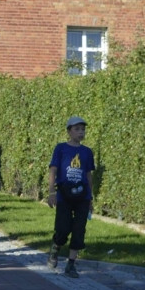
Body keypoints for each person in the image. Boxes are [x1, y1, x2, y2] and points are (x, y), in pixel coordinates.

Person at [46, 116, 95, 279]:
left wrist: (90, 198)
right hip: (64, 194)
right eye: (77, 129)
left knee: (79, 229)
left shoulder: (87, 152)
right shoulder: (60, 149)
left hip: (82, 195)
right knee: (63, 228)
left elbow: (88, 175)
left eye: (83, 129)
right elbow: (53, 170)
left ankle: (71, 264)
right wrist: (51, 192)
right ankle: (55, 248)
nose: (81, 132)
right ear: (69, 131)